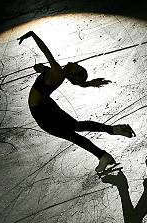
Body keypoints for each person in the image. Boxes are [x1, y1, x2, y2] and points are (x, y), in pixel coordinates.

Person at [18, 31, 135, 173]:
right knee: (76, 128)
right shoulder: (59, 73)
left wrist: (32, 35)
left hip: (42, 113)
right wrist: (42, 70)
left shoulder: (57, 71)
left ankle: (105, 150)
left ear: (72, 72)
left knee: (74, 133)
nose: (75, 63)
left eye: (77, 67)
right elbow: (69, 80)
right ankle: (111, 136)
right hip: (47, 106)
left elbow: (45, 50)